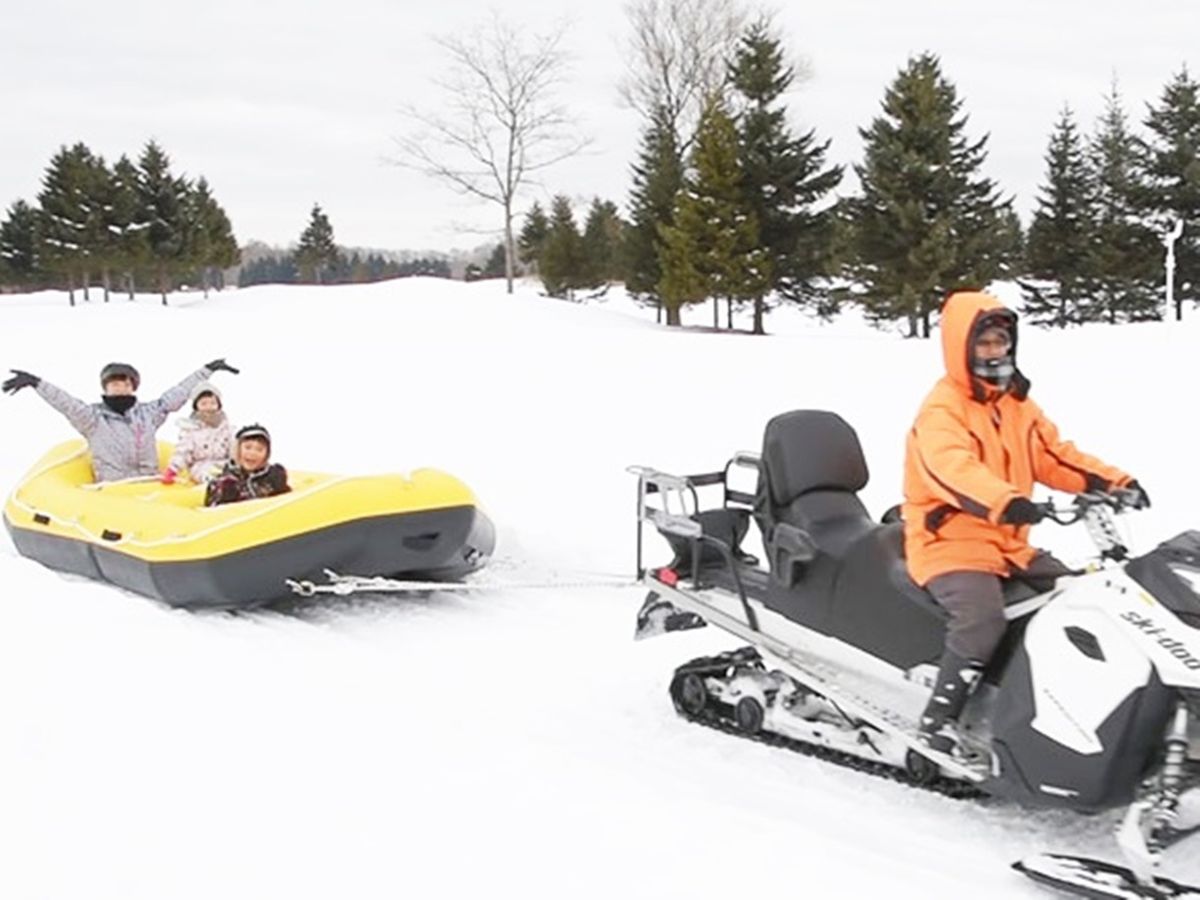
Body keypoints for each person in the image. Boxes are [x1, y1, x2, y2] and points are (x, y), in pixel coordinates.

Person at [902, 290, 1148, 756]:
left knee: (1080, 598)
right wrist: (1006, 501)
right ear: (961, 346)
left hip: (1008, 545)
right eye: (984, 343)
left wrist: (1115, 482)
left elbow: (1056, 456)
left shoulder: (1014, 403)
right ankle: (938, 721)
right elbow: (950, 468)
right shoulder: (942, 410)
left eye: (1001, 342)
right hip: (950, 543)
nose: (995, 351)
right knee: (982, 619)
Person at [2, 360, 240, 482]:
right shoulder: (93, 418)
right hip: (113, 489)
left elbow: (176, 395)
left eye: (126, 384)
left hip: (148, 484)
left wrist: (206, 370)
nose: (120, 388)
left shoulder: (148, 414)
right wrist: (37, 383)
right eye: (114, 384)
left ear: (133, 387)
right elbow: (67, 403)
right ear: (106, 388)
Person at [162, 382, 233, 485]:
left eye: (213, 403)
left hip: (222, 463)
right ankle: (213, 485)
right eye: (204, 404)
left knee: (230, 471)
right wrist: (173, 469)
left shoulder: (226, 428)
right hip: (201, 465)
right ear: (196, 407)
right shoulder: (191, 430)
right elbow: (183, 451)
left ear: (219, 406)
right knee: (204, 472)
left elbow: (234, 447)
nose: (209, 407)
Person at [204, 424, 290, 506]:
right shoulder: (223, 482)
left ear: (266, 455)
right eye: (248, 447)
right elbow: (212, 511)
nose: (253, 453)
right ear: (237, 449)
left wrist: (280, 483)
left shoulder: (272, 478)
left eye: (259, 449)